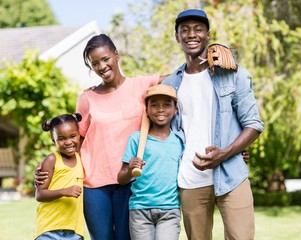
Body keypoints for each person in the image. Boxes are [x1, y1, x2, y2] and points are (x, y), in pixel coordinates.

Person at [35, 34, 167, 240]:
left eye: (106, 59)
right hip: (94, 184)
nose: (102, 66)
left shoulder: (141, 85)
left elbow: (179, 77)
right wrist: (49, 167)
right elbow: (73, 143)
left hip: (130, 180)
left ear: (116, 55)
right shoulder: (87, 98)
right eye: (94, 63)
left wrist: (206, 61)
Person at [162, 9, 264, 240]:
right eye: (184, 30)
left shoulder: (232, 74)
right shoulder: (171, 84)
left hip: (231, 175)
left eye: (198, 29)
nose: (191, 34)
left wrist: (226, 153)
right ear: (177, 37)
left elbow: (254, 124)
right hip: (190, 178)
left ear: (208, 35)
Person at [118, 84, 183, 240]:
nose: (160, 109)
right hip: (140, 210)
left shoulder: (180, 141)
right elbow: (121, 178)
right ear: (146, 110)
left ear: (175, 110)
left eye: (167, 105)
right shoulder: (136, 139)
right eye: (154, 105)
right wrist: (130, 169)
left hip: (169, 209)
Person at [34, 113, 84, 240]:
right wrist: (65, 191)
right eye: (61, 138)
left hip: (74, 231)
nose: (68, 142)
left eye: (72, 136)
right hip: (49, 230)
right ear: (53, 140)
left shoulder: (81, 158)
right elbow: (39, 195)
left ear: (79, 135)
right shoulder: (51, 159)